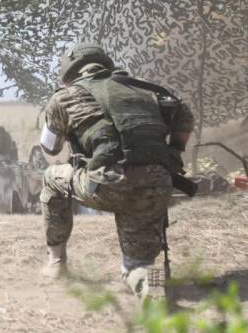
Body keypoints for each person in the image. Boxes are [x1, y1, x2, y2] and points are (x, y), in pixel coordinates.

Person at [38, 42, 194, 299]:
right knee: (137, 264)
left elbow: (50, 147)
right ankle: (151, 285)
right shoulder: (143, 87)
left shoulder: (64, 96)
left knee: (51, 179)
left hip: (108, 184)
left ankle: (56, 264)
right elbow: (184, 114)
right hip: (156, 184)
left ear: (69, 75)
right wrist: (175, 152)